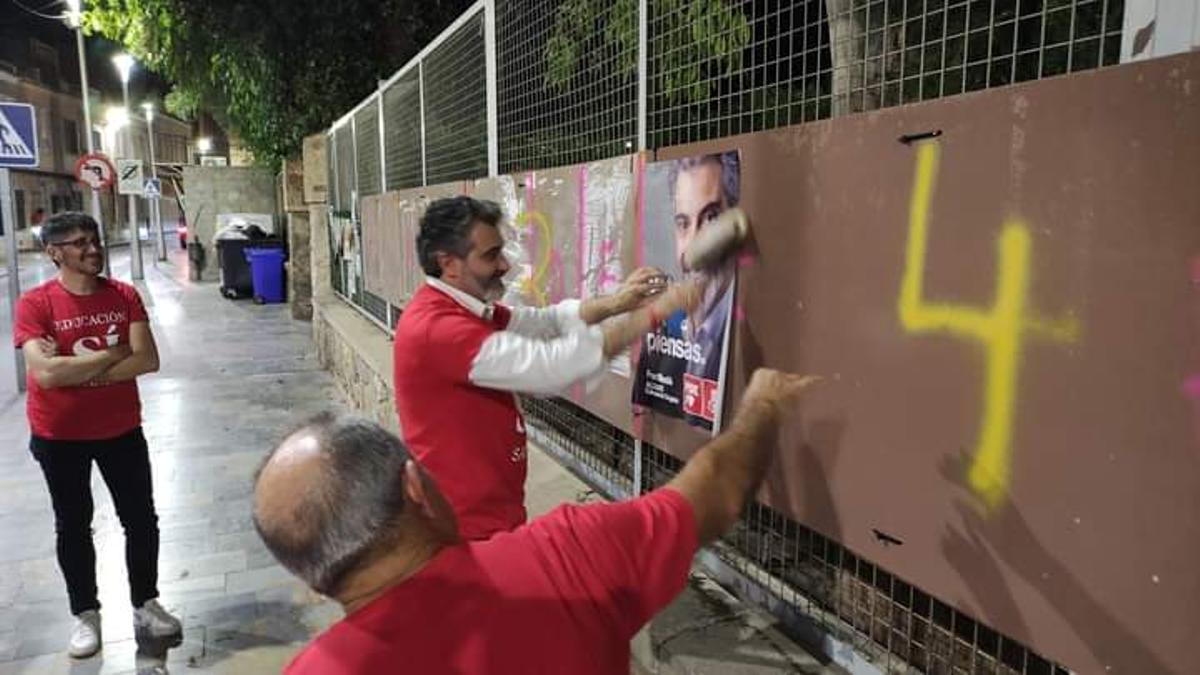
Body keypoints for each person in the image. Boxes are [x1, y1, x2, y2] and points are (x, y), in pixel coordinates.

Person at [253, 368, 820, 674]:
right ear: (414, 488)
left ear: (311, 579)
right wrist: (766, 403)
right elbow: (716, 491)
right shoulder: (566, 559)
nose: (499, 264)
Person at [393, 196, 701, 540]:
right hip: (463, 527)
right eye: (490, 255)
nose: (505, 265)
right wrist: (655, 314)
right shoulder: (438, 327)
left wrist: (619, 301)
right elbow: (551, 368)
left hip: (484, 514)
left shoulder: (464, 309)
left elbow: (545, 322)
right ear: (448, 263)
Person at [13, 212, 182, 659]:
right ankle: (86, 614)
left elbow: (146, 360)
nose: (92, 249)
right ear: (54, 253)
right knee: (73, 525)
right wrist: (113, 353)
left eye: (94, 240)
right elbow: (45, 374)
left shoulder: (124, 294)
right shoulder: (36, 304)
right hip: (59, 435)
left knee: (141, 519)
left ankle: (145, 603)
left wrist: (76, 372)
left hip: (120, 429)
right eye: (78, 243)